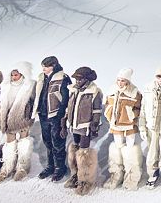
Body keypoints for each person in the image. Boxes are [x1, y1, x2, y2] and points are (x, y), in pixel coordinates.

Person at [62, 67, 103, 195]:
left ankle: (85, 180)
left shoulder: (94, 91)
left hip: (85, 127)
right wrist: (64, 122)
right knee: (75, 148)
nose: (77, 81)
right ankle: (75, 174)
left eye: (79, 78)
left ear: (86, 79)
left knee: (84, 152)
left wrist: (95, 125)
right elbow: (69, 107)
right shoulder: (73, 90)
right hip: (74, 126)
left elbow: (97, 110)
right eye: (76, 78)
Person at [0, 62, 36, 183]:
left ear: (22, 74)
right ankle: (6, 168)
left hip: (23, 119)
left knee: (24, 143)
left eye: (16, 75)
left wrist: (29, 116)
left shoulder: (29, 86)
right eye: (12, 75)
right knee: (9, 144)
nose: (14, 77)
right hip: (8, 119)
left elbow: (34, 103)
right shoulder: (6, 86)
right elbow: (0, 103)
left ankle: (22, 168)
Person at [103, 68, 144, 191]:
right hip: (115, 125)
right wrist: (109, 113)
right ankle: (116, 174)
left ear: (127, 81)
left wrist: (132, 116)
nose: (120, 83)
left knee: (130, 149)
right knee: (117, 147)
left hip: (129, 126)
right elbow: (107, 103)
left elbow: (139, 108)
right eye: (118, 80)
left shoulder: (134, 92)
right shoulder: (112, 90)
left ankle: (132, 176)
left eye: (123, 80)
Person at [33, 56, 71, 181]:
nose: (43, 68)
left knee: (58, 142)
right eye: (43, 66)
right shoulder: (41, 77)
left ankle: (60, 167)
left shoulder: (63, 78)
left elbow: (66, 99)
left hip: (56, 115)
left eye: (46, 66)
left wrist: (61, 115)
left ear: (53, 66)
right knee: (47, 141)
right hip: (43, 114)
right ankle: (51, 165)